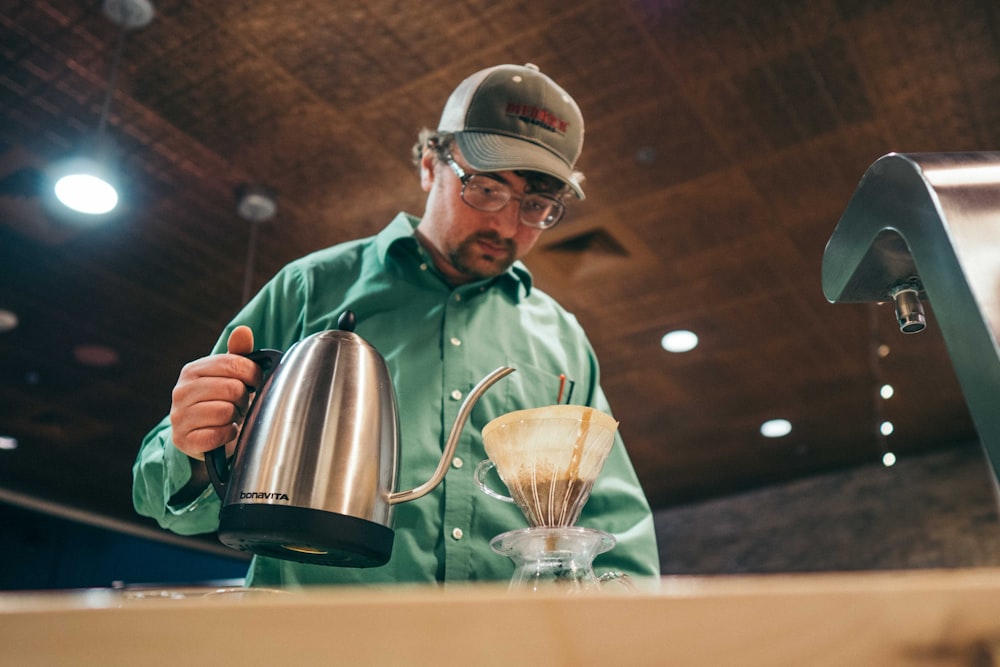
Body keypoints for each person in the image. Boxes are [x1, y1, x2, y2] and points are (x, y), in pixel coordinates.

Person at [133, 63, 660, 587]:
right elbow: (165, 503)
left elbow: (615, 525)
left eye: (537, 205)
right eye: (486, 189)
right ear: (431, 164)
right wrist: (199, 452)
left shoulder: (562, 339)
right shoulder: (310, 288)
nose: (505, 223)